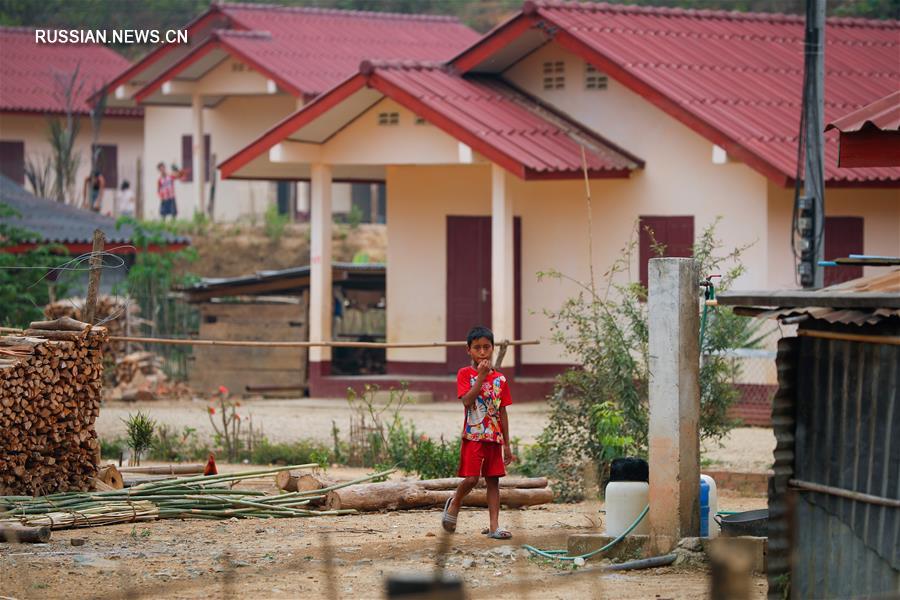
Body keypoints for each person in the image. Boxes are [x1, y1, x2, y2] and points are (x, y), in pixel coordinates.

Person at [441, 325, 515, 539]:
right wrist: (481, 377)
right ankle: (455, 501)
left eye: (486, 347)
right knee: (472, 478)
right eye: (477, 348)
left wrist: (507, 444)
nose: (482, 352)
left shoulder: (500, 380)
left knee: (493, 481)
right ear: (469, 350)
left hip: (494, 438)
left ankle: (494, 527)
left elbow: (503, 412)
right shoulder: (465, 374)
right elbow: (466, 401)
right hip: (473, 436)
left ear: (492, 348)